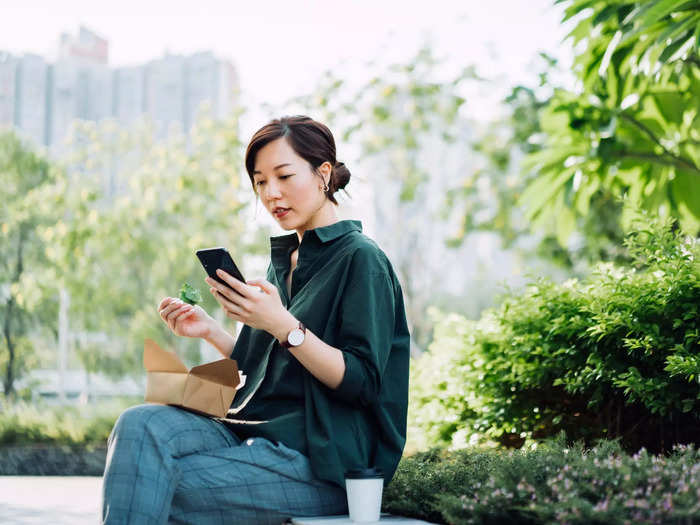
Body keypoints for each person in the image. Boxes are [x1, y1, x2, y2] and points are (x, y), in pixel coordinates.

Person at [101, 115, 410, 524]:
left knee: (153, 482)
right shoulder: (284, 261)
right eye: (260, 181)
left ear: (322, 174)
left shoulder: (361, 259)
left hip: (322, 461)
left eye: (283, 176)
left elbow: (363, 381)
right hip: (254, 431)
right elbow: (260, 364)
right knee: (139, 424)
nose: (271, 193)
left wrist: (282, 324)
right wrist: (209, 330)